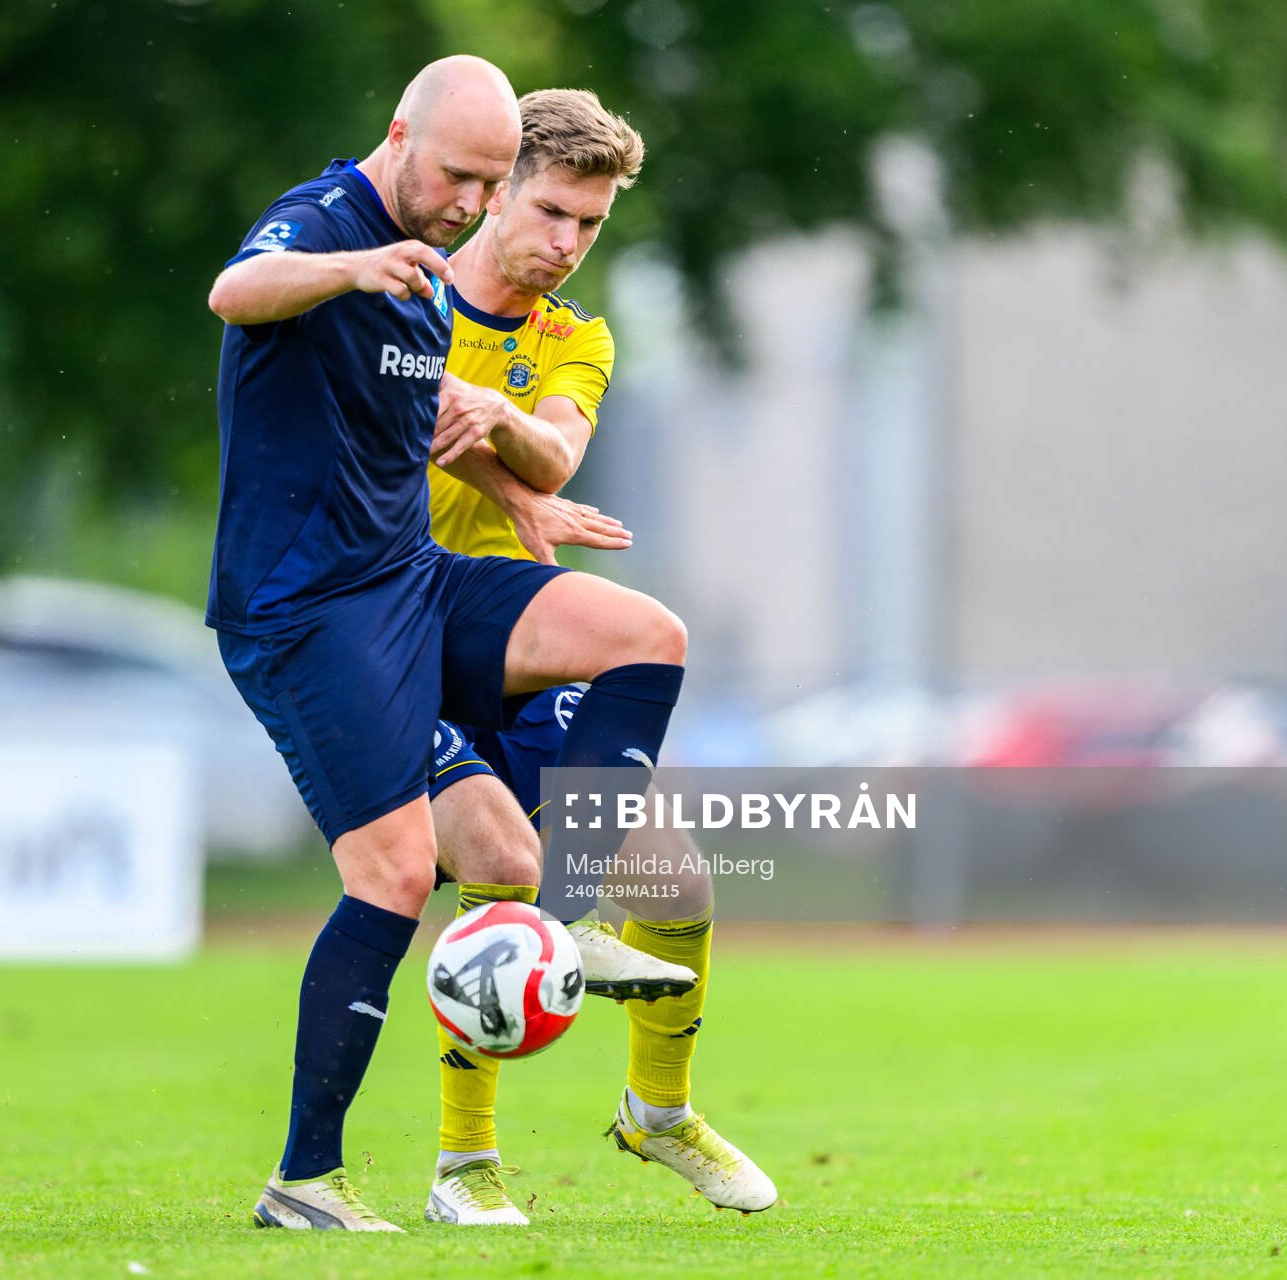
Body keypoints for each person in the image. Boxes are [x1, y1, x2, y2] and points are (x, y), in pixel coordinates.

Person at [208, 56, 693, 1233]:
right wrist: (352, 265)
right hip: (303, 608)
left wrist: (516, 496)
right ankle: (303, 1180)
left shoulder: (430, 281)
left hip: (408, 581)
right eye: (463, 175)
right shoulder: (330, 224)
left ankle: (578, 919)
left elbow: (414, 427)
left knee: (645, 635)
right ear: (399, 135)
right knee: (395, 871)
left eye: (489, 182)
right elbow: (237, 290)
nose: (471, 202)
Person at [412, 88, 778, 1227]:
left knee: (678, 888)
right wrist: (476, 428)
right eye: (556, 212)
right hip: (399, 636)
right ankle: (463, 1167)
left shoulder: (577, 337)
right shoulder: (404, 292)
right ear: (495, 189)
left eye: (594, 226)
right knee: (501, 875)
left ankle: (656, 1114)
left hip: (522, 640)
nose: (569, 244)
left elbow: (558, 450)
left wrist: (503, 437)